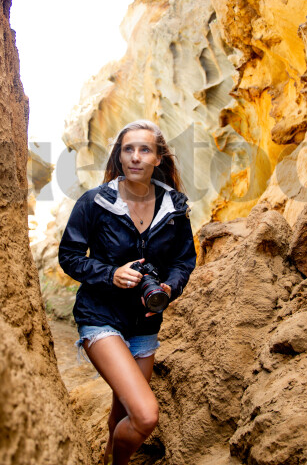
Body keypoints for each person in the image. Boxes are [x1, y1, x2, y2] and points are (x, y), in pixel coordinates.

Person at [59, 120, 197, 465]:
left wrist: (169, 287)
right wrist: (110, 274)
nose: (135, 157)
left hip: (145, 325)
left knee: (123, 409)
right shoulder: (95, 202)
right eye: (128, 149)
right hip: (100, 317)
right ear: (119, 156)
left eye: (145, 149)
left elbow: (184, 260)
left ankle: (108, 453)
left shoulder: (175, 208)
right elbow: (70, 256)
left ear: (158, 157)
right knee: (146, 415)